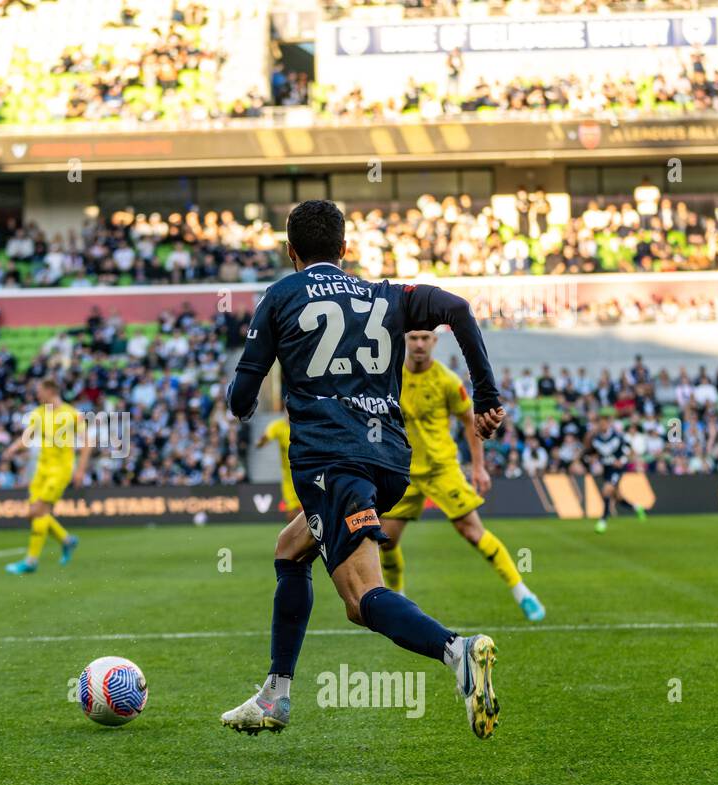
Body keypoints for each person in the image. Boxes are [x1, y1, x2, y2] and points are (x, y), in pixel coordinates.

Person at [220, 199, 506, 740]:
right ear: (345, 249)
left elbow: (241, 400)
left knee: (359, 601)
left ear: (291, 252)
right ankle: (275, 694)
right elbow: (461, 309)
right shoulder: (386, 294)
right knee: (290, 550)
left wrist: (245, 391)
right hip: (389, 460)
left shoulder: (280, 295)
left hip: (332, 460)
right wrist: (486, 394)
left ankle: (456, 650)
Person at [378, 329, 545, 622]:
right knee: (386, 541)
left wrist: (478, 466)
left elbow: (470, 421)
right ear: (405, 339)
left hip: (442, 468)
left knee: (472, 532)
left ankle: (523, 593)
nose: (419, 343)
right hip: (402, 471)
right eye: (414, 337)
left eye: (425, 338)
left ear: (434, 342)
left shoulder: (447, 380)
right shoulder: (390, 376)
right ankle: (398, 602)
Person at [1, 378, 93, 575]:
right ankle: (66, 540)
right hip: (41, 470)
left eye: (39, 391)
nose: (37, 395)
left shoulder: (72, 415)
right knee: (34, 513)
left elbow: (87, 444)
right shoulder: (38, 414)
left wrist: (80, 470)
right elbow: (26, 439)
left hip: (60, 470)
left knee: (38, 511)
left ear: (51, 391)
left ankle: (31, 561)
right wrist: (12, 449)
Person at [588, 412, 646, 533]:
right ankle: (637, 508)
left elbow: (629, 451)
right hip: (607, 469)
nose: (602, 426)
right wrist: (594, 458)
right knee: (617, 497)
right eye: (600, 423)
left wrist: (622, 461)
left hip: (617, 469)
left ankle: (603, 520)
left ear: (608, 424)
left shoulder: (617, 437)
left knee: (606, 490)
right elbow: (595, 452)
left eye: (604, 423)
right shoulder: (596, 439)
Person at [254, 416, 301, 517]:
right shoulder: (278, 426)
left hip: (306, 475)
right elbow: (266, 437)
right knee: (291, 514)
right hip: (289, 479)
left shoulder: (303, 425)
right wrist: (261, 442)